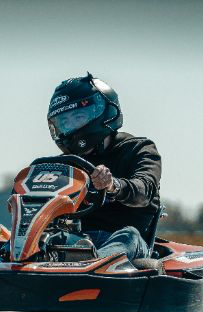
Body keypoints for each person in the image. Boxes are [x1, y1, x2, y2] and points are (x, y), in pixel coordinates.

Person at [45, 73, 162, 261]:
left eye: (78, 117)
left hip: (127, 242)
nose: (70, 127)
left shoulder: (139, 149)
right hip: (78, 241)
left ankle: (92, 264)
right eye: (64, 122)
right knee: (45, 238)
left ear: (101, 112)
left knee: (128, 235)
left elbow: (144, 191)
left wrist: (112, 185)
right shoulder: (63, 164)